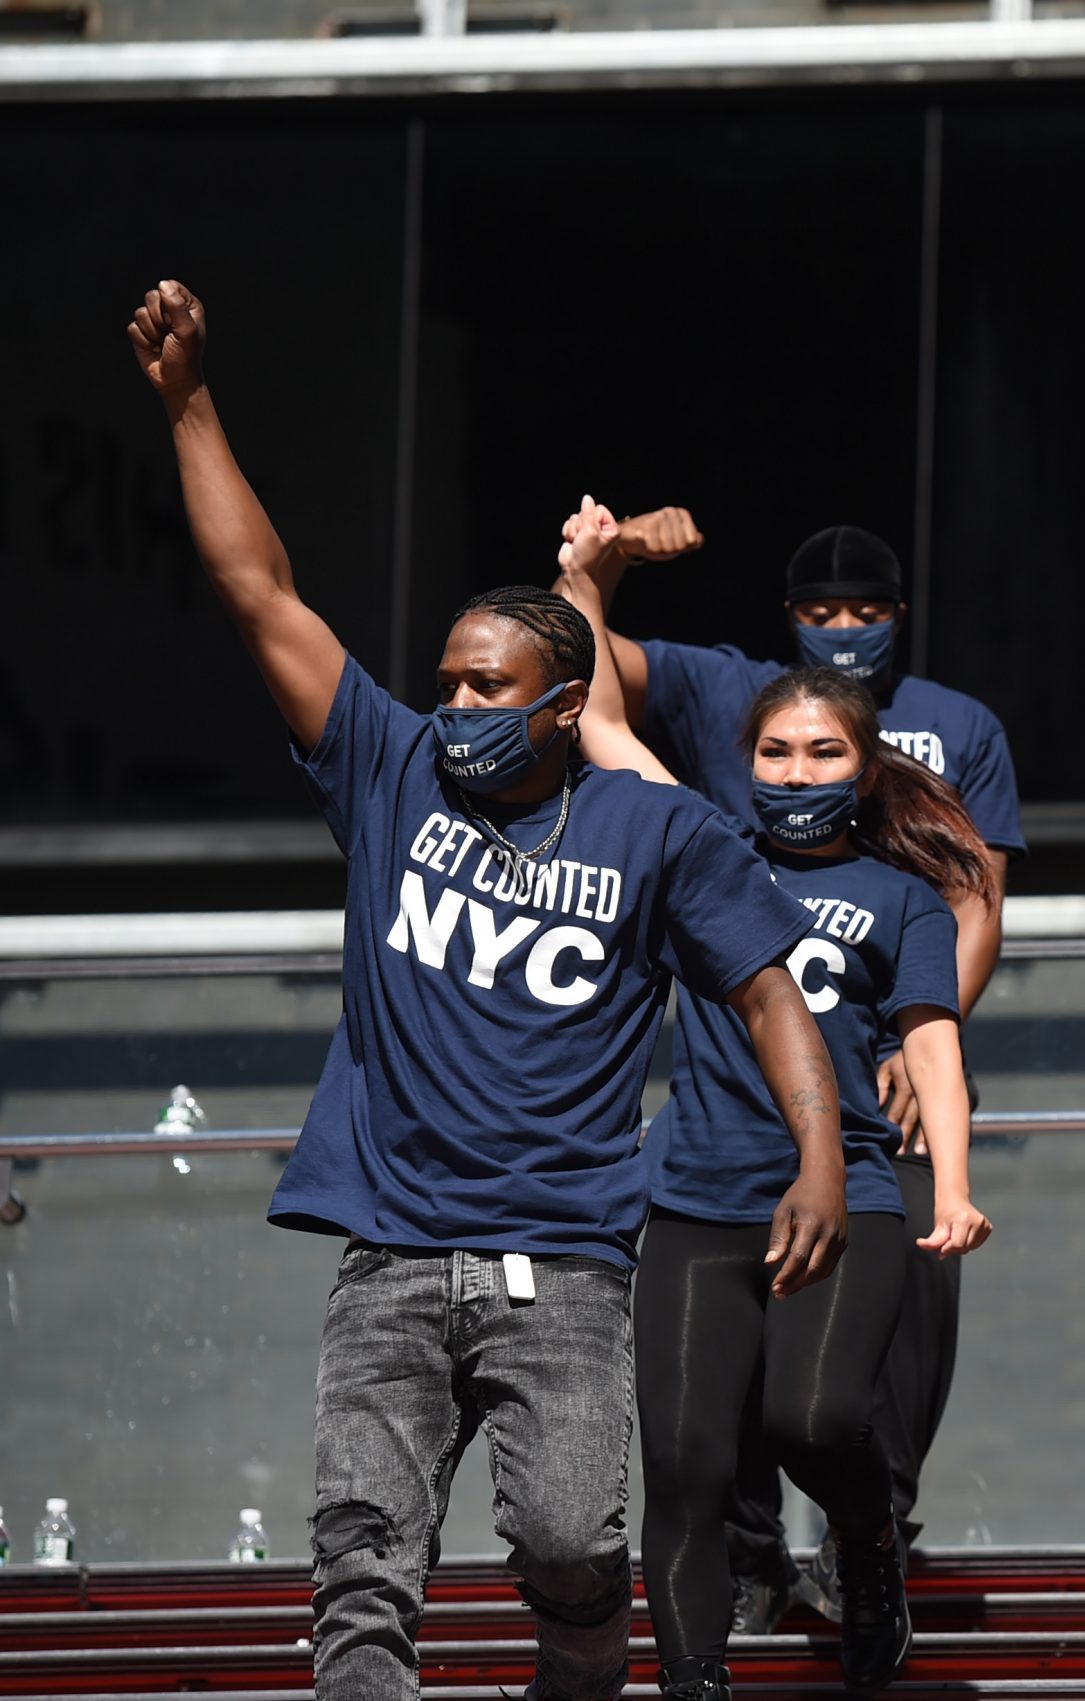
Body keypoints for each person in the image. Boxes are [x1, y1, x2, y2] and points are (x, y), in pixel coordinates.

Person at [127, 279, 843, 1701]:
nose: (451, 705)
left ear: (562, 706)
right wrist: (190, 404)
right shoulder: (388, 773)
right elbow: (258, 589)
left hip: (563, 1261)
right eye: (447, 681)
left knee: (576, 1546)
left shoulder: (660, 832)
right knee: (361, 1563)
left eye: (484, 687)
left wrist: (819, 1157)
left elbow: (769, 993)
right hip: (385, 1253)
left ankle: (578, 1660)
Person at [557, 505, 994, 1700]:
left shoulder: (901, 897)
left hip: (847, 1195)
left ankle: (867, 1552)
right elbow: (595, 715)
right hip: (697, 1194)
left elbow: (933, 1046)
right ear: (743, 765)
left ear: (864, 771)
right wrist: (588, 579)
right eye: (774, 755)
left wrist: (949, 1188)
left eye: (823, 756)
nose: (795, 774)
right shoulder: (703, 846)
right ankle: (695, 1684)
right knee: (690, 1463)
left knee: (813, 1422)